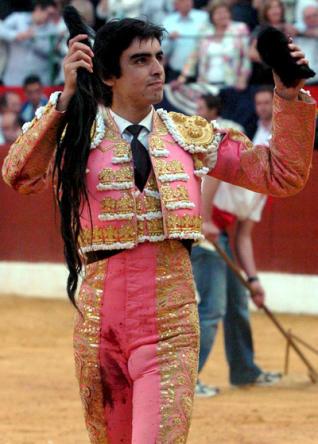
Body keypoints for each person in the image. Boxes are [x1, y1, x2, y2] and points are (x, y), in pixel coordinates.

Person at [2, 12, 316, 444]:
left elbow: (281, 173)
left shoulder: (189, 135)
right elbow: (19, 175)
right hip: (98, 325)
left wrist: (288, 94)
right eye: (140, 59)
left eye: (159, 57)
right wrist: (65, 98)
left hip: (170, 323)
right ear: (109, 74)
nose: (157, 68)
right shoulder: (75, 134)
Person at [191, 86, 277, 397]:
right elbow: (213, 172)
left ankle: (244, 371)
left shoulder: (264, 191)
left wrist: (253, 280)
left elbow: (244, 237)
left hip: (222, 238)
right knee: (212, 309)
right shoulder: (250, 164)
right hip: (203, 237)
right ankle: (186, 380)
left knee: (238, 304)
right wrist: (203, 219)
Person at [180, 1, 251, 90]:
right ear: (212, 16)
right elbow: (193, 56)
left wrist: (243, 78)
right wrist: (182, 77)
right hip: (205, 86)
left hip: (232, 85)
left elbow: (246, 57)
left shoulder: (240, 29)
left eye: (225, 12)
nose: (222, 15)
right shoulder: (204, 31)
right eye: (218, 13)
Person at [0, 0, 60, 86]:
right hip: (13, 78)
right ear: (38, 8)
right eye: (48, 13)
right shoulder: (18, 18)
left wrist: (33, 39)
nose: (49, 17)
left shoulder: (53, 29)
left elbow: (50, 52)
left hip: (40, 81)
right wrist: (16, 35)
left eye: (52, 15)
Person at [162, 0, 209, 81]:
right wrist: (169, 39)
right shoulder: (168, 21)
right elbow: (162, 49)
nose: (187, 2)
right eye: (183, 1)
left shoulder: (204, 17)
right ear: (176, 5)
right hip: (176, 71)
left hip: (200, 72)